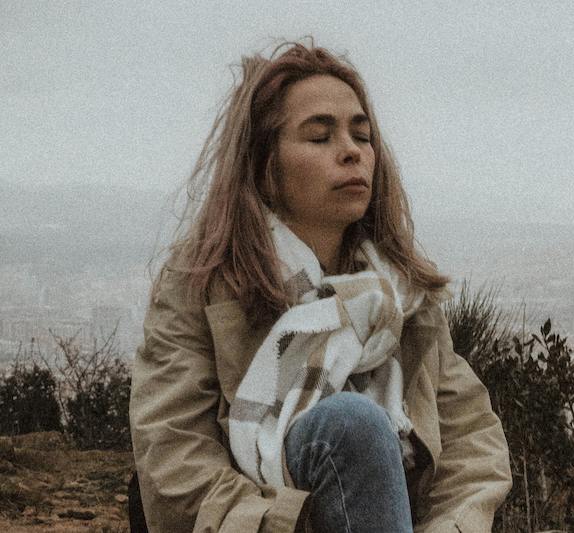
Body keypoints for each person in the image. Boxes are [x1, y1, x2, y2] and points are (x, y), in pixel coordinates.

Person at [129, 40, 511, 533]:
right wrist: (306, 520)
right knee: (348, 426)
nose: (351, 151)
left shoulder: (400, 293)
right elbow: (172, 455)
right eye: (319, 137)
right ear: (267, 166)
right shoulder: (200, 284)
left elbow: (472, 442)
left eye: (362, 135)